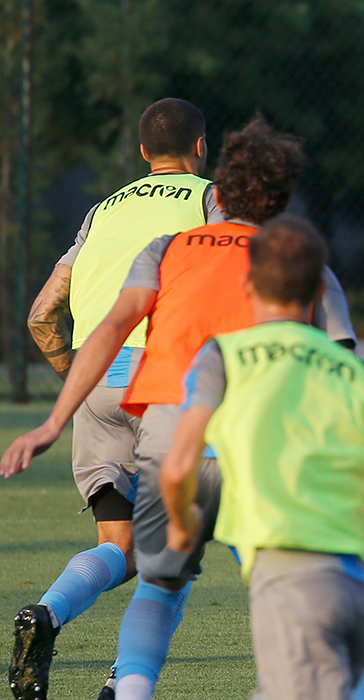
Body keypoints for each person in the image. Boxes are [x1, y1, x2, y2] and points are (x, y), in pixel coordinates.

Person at [0, 117, 356, 700]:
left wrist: (57, 414)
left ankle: (65, 626)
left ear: (143, 151)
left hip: (118, 391)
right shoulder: (278, 246)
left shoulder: (124, 223)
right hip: (210, 409)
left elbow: (57, 314)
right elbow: (334, 358)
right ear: (200, 151)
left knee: (138, 558)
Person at [159, 215, 364, 700]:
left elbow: (177, 467)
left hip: (291, 584)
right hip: (358, 585)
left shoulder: (224, 356)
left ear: (246, 283)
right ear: (321, 287)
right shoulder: (361, 373)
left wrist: (180, 527)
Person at [5, 97, 221, 700]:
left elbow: (42, 314)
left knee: (119, 548)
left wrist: (81, 381)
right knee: (172, 561)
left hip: (98, 386)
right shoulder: (210, 200)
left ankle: (46, 615)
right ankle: (122, 683)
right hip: (168, 386)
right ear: (202, 148)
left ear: (144, 153)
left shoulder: (102, 209)